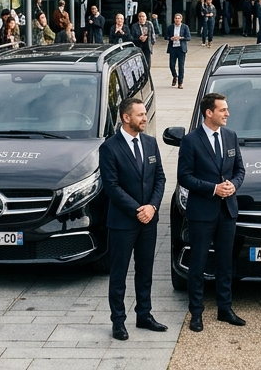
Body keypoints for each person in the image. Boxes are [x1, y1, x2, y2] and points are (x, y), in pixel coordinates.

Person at [99, 98, 167, 341]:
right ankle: (118, 321)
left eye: (145, 113)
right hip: (122, 222)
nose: (145, 118)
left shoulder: (150, 143)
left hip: (149, 220)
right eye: (140, 114)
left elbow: (160, 178)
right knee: (119, 274)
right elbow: (111, 186)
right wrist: (138, 209)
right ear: (126, 118)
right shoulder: (110, 147)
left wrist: (153, 206)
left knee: (145, 270)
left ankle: (144, 315)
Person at [177, 93, 246, 332]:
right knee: (198, 263)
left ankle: (225, 309)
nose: (227, 114)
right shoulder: (191, 140)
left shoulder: (231, 136)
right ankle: (196, 313)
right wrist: (213, 189)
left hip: (227, 211)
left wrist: (233, 185)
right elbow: (183, 176)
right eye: (223, 110)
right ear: (209, 112)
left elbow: (239, 169)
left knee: (225, 262)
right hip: (202, 212)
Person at [167, 13, 190, 89]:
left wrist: (180, 38)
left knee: (181, 66)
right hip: (173, 48)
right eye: (176, 18)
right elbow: (166, 36)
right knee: (171, 65)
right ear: (174, 19)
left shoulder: (185, 27)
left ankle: (180, 82)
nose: (177, 20)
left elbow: (188, 37)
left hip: (181, 49)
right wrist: (171, 38)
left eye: (178, 18)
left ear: (181, 19)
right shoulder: (170, 27)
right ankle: (175, 76)